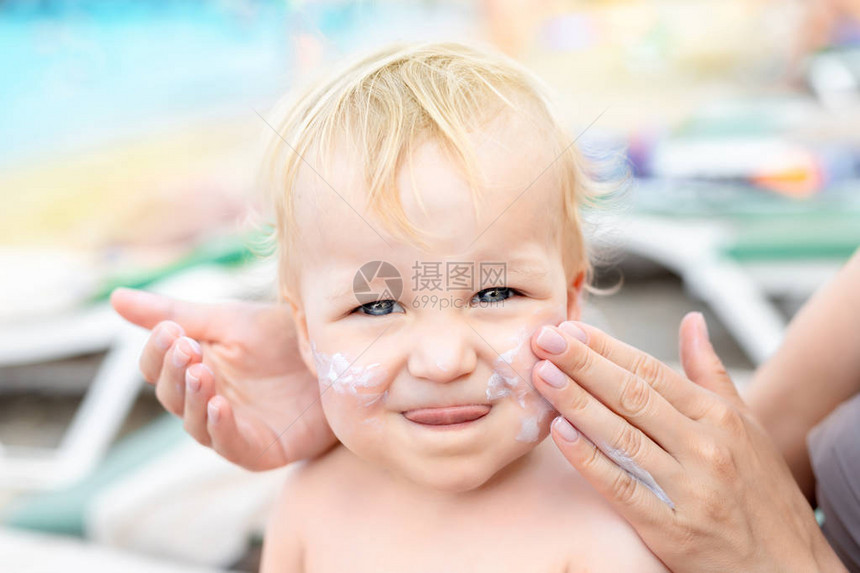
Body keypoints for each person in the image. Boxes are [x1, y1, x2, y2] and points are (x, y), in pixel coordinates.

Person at [109, 52, 858, 573]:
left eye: (494, 294)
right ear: (302, 332)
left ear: (571, 300)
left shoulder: (613, 520)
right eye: (375, 304)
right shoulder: (309, 501)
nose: (441, 359)